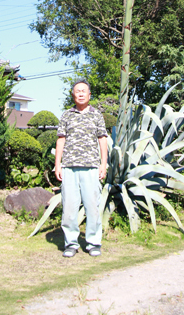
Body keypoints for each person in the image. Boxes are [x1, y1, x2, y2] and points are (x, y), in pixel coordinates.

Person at [55, 79, 108, 258]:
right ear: (73, 94)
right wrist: (57, 164)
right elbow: (61, 139)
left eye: (83, 90)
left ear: (89, 94)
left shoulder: (97, 115)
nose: (80, 93)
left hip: (91, 167)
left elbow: (102, 139)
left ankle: (93, 243)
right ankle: (71, 243)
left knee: (92, 206)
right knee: (69, 208)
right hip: (69, 167)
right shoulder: (66, 115)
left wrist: (103, 164)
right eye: (77, 91)